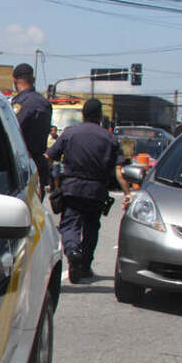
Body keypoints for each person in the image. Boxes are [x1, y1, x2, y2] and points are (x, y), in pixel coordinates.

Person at [46, 99, 131, 284]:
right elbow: (119, 171)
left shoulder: (70, 133)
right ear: (100, 116)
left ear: (83, 115)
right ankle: (84, 265)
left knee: (70, 224)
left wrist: (45, 181)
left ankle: (73, 251)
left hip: (72, 188)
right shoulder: (110, 138)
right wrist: (127, 194)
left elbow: (49, 157)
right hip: (96, 191)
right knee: (92, 227)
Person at [12, 63, 53, 198]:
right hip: (38, 164)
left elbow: (12, 133)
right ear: (33, 80)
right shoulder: (44, 103)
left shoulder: (20, 104)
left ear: (14, 80)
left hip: (21, 167)